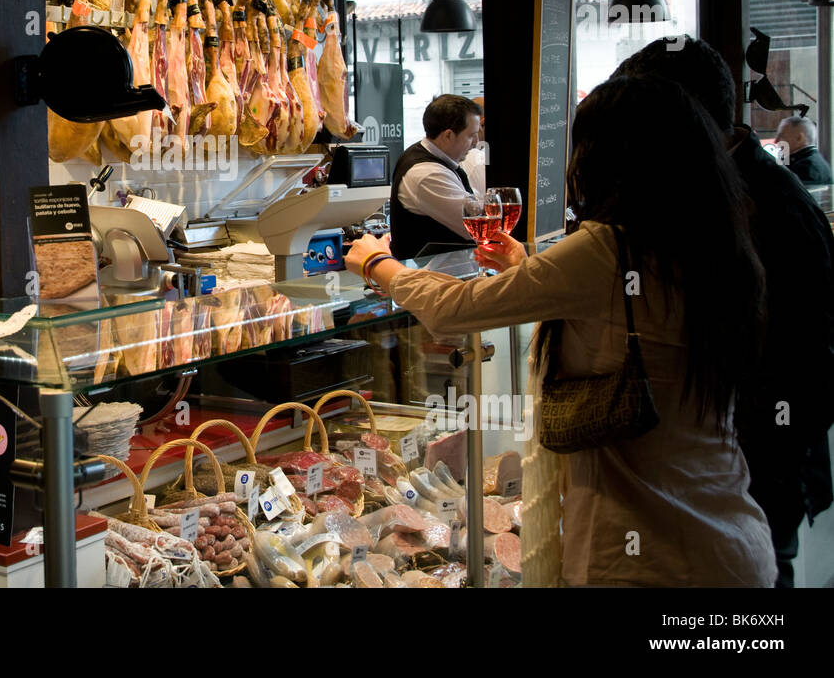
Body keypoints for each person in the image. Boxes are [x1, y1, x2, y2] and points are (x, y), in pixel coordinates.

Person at [348, 75, 776, 587]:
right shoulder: (713, 242)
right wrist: (527, 268)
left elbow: (455, 307)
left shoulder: (609, 247)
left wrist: (379, 265)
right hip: (730, 537)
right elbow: (615, 319)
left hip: (650, 558)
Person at [613, 38, 834, 587]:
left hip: (761, 454)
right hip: (734, 454)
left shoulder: (764, 203)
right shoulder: (720, 186)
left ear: (680, 117)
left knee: (758, 575)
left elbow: (796, 354)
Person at [389, 94, 482, 260]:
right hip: (430, 280)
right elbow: (476, 226)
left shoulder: (438, 161)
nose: (476, 142)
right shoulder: (427, 174)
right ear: (448, 135)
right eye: (471, 135)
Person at [776, 115, 833, 186]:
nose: (776, 141)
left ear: (800, 138)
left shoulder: (807, 169)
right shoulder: (805, 162)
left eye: (781, 136)